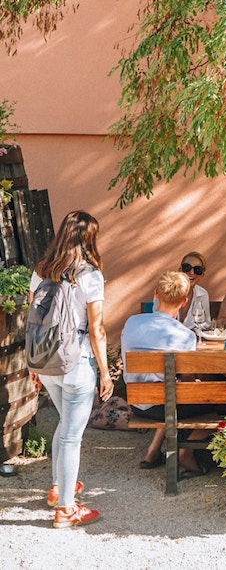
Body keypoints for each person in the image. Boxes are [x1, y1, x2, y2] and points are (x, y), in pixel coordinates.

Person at [29, 210, 113, 529]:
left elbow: (33, 319)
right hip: (77, 363)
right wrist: (105, 372)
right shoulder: (89, 275)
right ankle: (66, 509)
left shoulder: (40, 270)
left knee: (64, 425)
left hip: (47, 361)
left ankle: (57, 488)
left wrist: (33, 365)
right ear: (88, 238)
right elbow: (97, 329)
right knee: (72, 437)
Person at [122, 271, 212, 478]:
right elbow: (187, 385)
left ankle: (153, 452)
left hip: (137, 404)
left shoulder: (131, 322)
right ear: (184, 301)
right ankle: (186, 452)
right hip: (165, 406)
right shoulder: (185, 336)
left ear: (156, 293)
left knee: (168, 392)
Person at [153, 251, 210, 331]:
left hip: (192, 339)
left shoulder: (203, 294)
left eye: (197, 270)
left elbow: (206, 324)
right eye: (187, 268)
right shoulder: (165, 291)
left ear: (202, 275)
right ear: (180, 270)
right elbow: (158, 319)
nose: (191, 273)